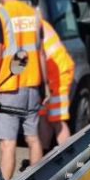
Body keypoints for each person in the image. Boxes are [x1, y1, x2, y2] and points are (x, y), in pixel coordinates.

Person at [0, 0, 46, 180]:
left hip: (9, 87)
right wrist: (45, 86)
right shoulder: (34, 14)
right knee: (33, 138)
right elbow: (41, 52)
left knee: (8, 144)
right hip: (33, 86)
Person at [38, 19, 75, 149]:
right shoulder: (34, 21)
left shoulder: (32, 24)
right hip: (46, 76)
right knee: (43, 117)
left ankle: (68, 157)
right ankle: (44, 156)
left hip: (58, 75)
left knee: (56, 119)